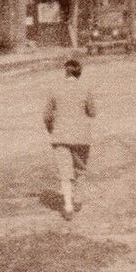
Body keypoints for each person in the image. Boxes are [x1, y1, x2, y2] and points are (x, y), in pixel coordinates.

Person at [44, 57, 98, 220]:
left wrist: (51, 129)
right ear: (79, 73)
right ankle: (78, 199)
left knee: (64, 172)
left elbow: (46, 116)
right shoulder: (86, 88)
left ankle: (68, 206)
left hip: (60, 136)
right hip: (81, 137)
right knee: (80, 170)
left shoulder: (55, 89)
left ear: (65, 73)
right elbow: (93, 112)